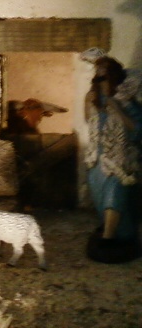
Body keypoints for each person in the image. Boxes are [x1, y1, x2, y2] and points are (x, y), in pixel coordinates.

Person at [84, 56, 142, 263]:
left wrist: (117, 109)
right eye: (97, 79)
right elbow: (89, 121)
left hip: (120, 159)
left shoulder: (127, 102)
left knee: (114, 195)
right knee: (101, 198)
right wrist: (88, 102)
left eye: (104, 78)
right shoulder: (96, 101)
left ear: (114, 78)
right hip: (98, 159)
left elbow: (138, 129)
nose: (100, 83)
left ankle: (109, 238)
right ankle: (112, 232)